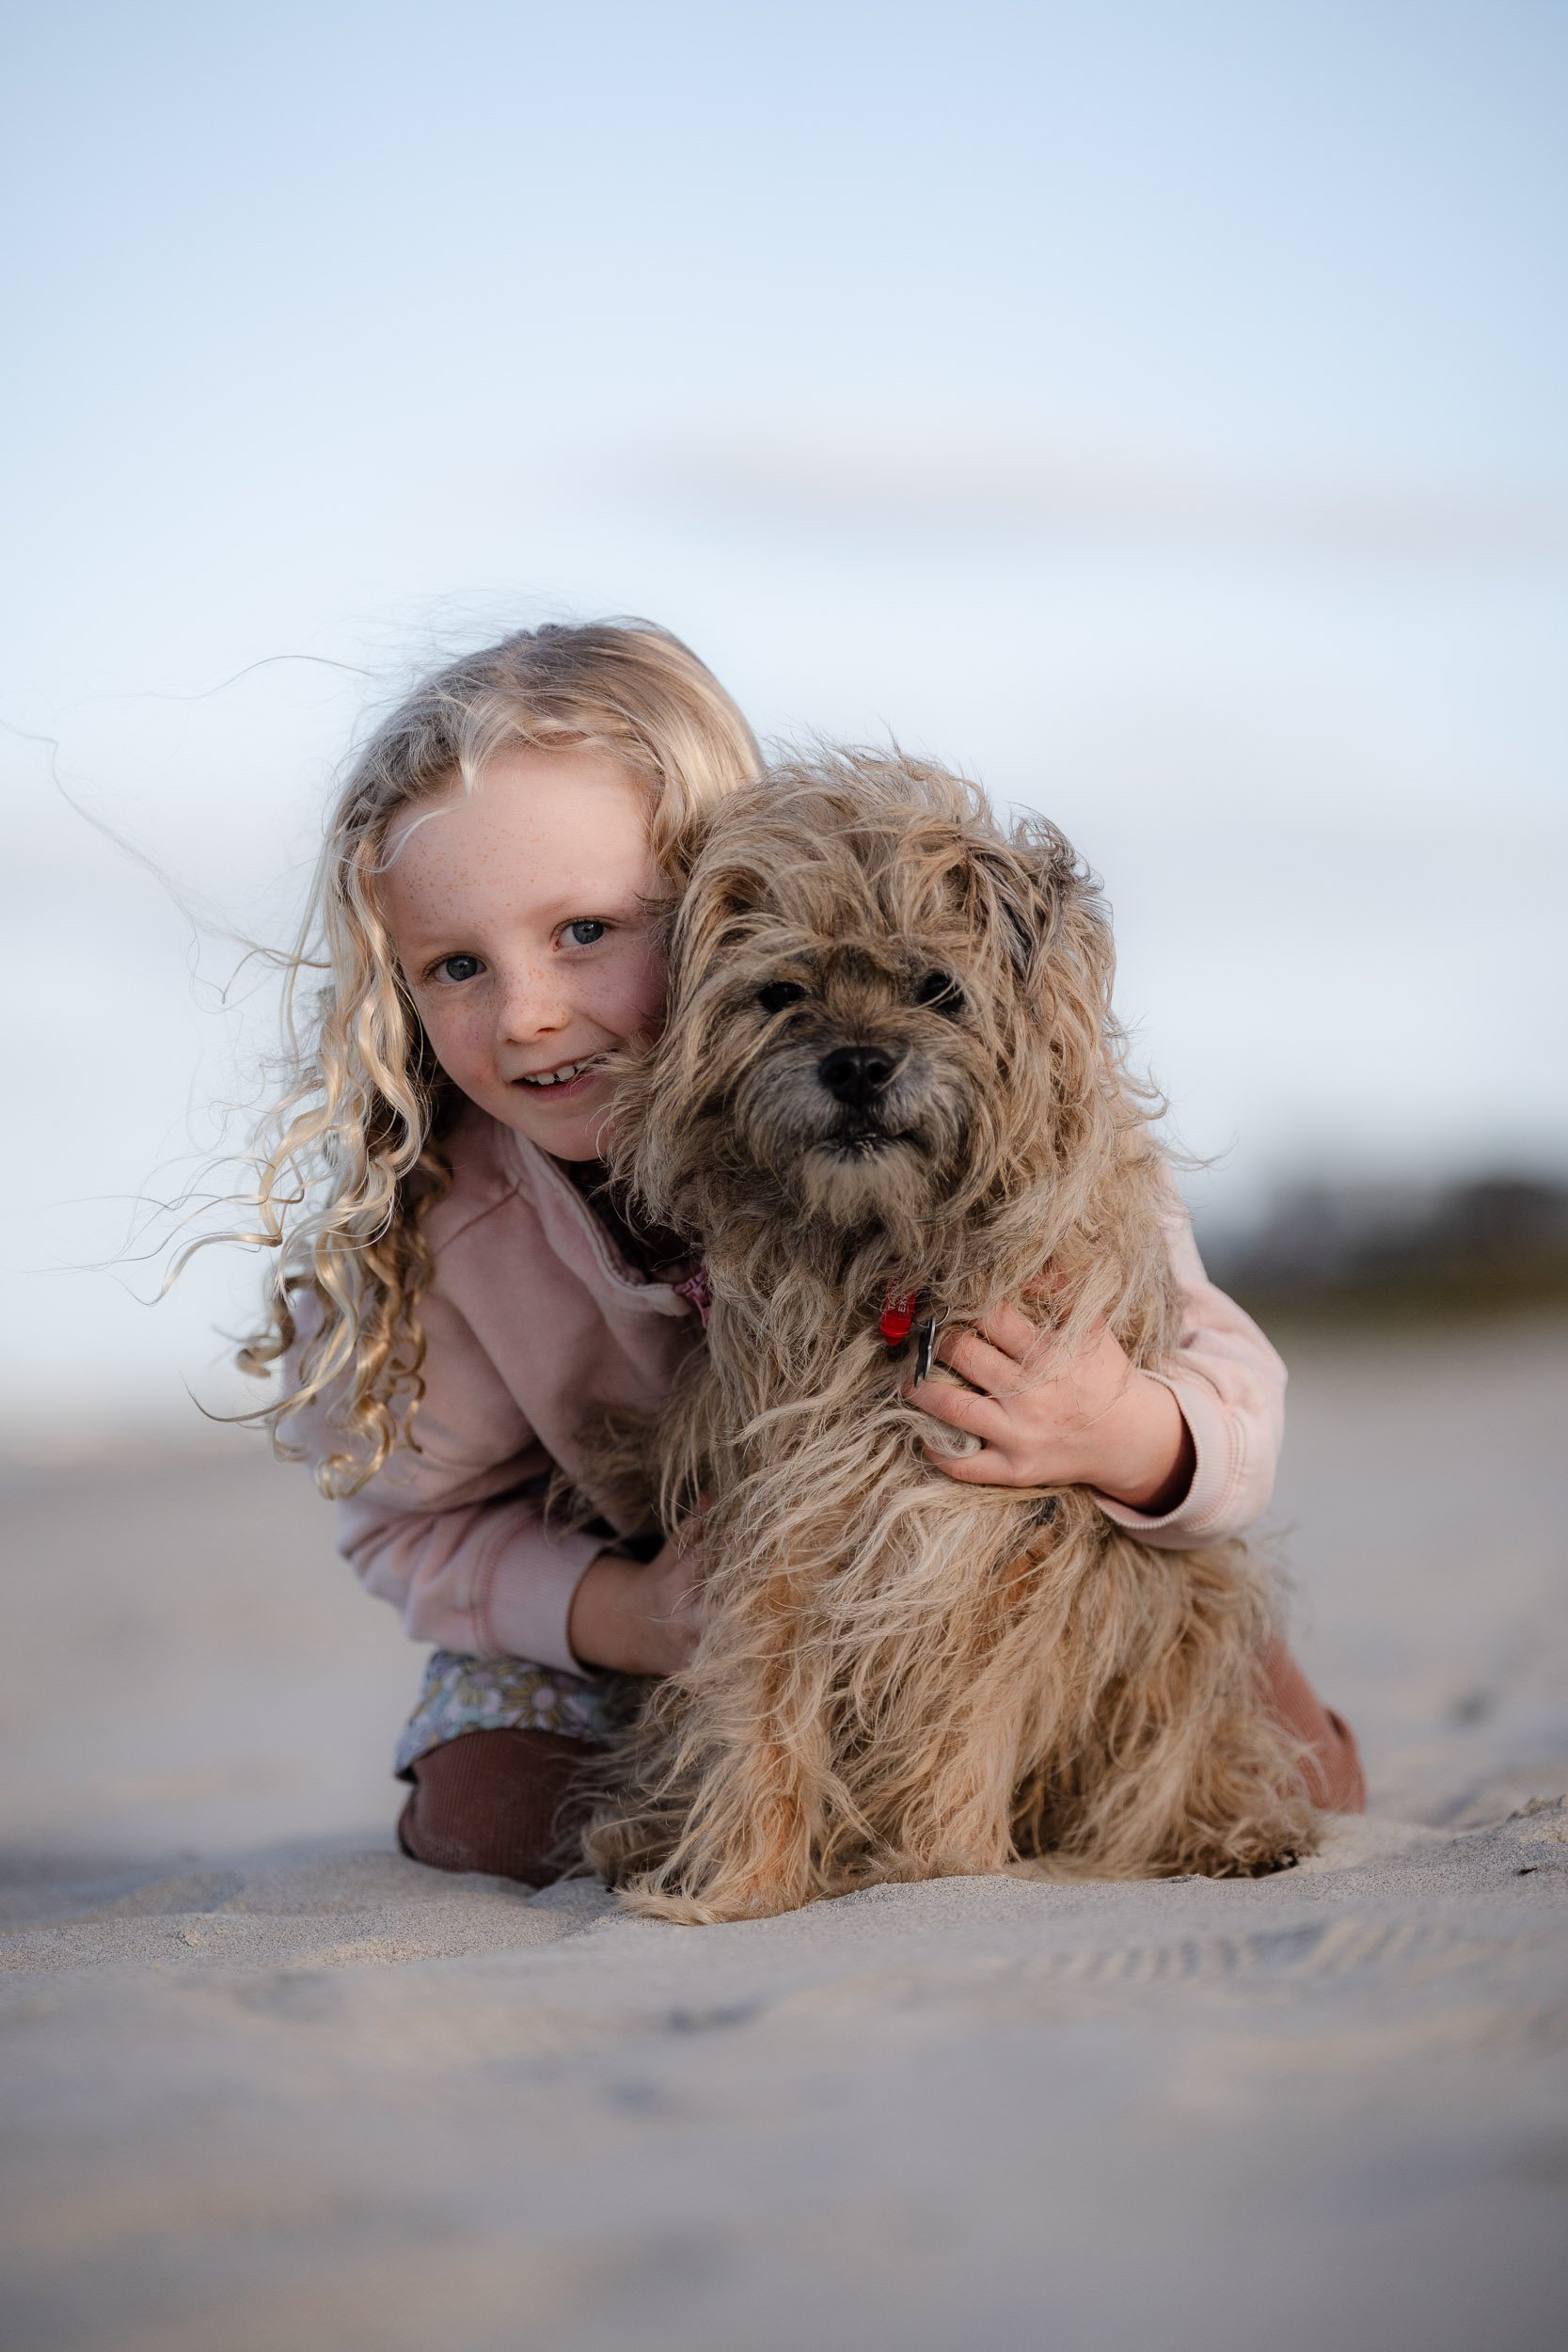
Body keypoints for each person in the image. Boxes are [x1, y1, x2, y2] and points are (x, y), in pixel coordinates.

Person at [239, 618, 1363, 1884]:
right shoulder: (464, 1227)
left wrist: (1129, 1438)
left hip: (1016, 1550)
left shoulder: (1028, 1135)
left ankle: (1072, 1693)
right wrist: (626, 1616)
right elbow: (406, 1533)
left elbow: (1230, 1378)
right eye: (456, 966)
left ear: (721, 896)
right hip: (629, 1598)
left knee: (1307, 1778)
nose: (532, 1011)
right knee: (497, 1826)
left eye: (590, 932)